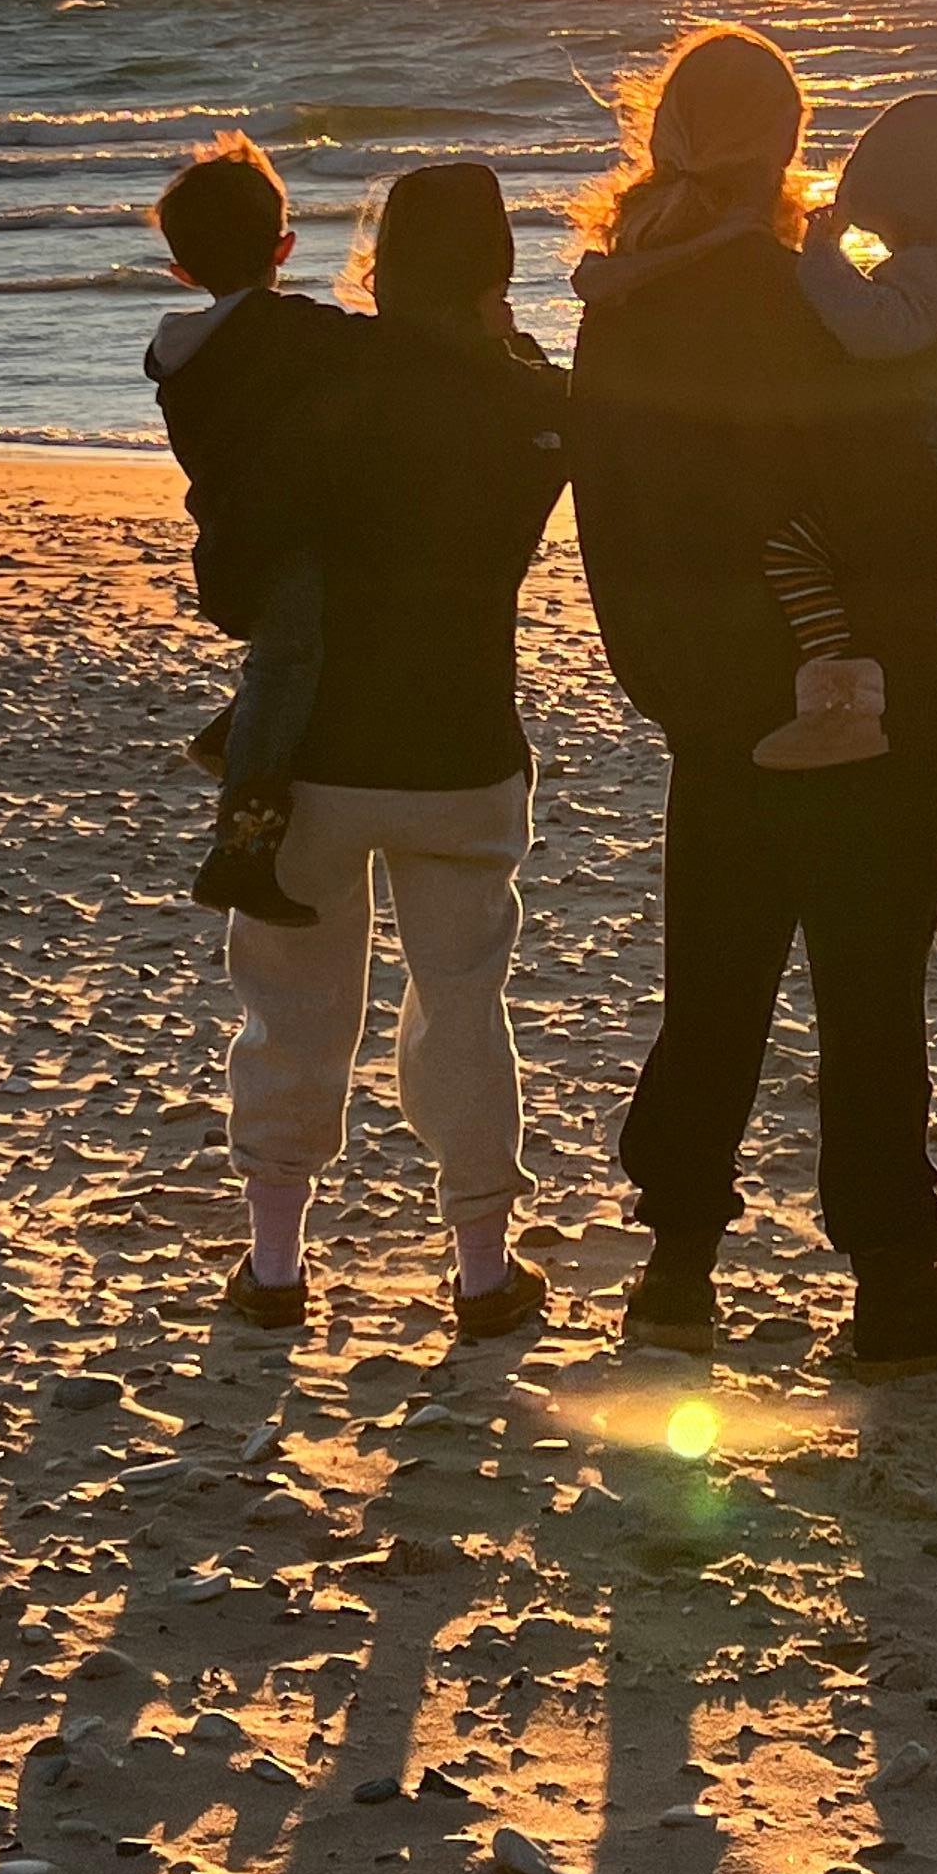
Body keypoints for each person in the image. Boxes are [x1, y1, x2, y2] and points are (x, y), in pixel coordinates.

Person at [567, 23, 937, 1375]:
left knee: (715, 983)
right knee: (870, 987)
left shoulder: (620, 307)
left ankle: (676, 1274)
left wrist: (671, 683)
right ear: (789, 143)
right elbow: (883, 508)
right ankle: (891, 1282)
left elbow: (613, 522)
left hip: (712, 701)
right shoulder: (795, 306)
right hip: (865, 687)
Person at [216, 161, 569, 1346]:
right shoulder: (532, 408)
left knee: (291, 1003)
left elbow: (239, 558)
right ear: (497, 272)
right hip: (464, 742)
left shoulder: (330, 376)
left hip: (315, 749)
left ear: (382, 261)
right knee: (464, 1009)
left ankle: (275, 1265)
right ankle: (479, 1269)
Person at [756, 88, 937, 773]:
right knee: (893, 593)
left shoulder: (930, 267)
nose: (884, 245)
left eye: (883, 228)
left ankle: (841, 704)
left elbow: (875, 332)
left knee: (798, 550)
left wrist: (822, 257)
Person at [146, 134, 361, 924]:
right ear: (285, 248)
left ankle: (231, 736)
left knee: (292, 661)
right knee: (290, 661)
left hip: (233, 541)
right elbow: (365, 351)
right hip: (284, 541)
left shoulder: (183, 359)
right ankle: (241, 849)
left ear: (183, 273)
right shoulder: (291, 334)